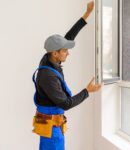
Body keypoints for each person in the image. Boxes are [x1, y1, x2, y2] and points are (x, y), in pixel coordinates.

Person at [32, 1, 102, 150]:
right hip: (50, 128)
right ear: (55, 53)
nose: (68, 53)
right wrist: (87, 91)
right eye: (65, 51)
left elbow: (69, 37)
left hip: (52, 124)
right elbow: (66, 103)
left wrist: (87, 13)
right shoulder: (48, 77)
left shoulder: (49, 59)